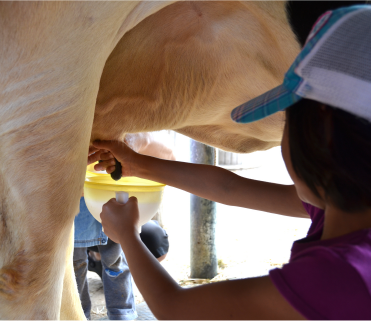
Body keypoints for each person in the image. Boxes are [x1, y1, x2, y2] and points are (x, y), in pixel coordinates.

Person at [89, 5, 371, 319]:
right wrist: (137, 164)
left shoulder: (340, 276)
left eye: (289, 121)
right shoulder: (341, 204)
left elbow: (176, 308)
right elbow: (229, 187)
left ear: (322, 133)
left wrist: (127, 234)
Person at [74, 132, 173, 320]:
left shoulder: (128, 135)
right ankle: (79, 313)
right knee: (75, 263)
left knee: (115, 259)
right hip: (81, 207)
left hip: (109, 197)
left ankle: (122, 311)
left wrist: (138, 143)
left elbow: (169, 156)